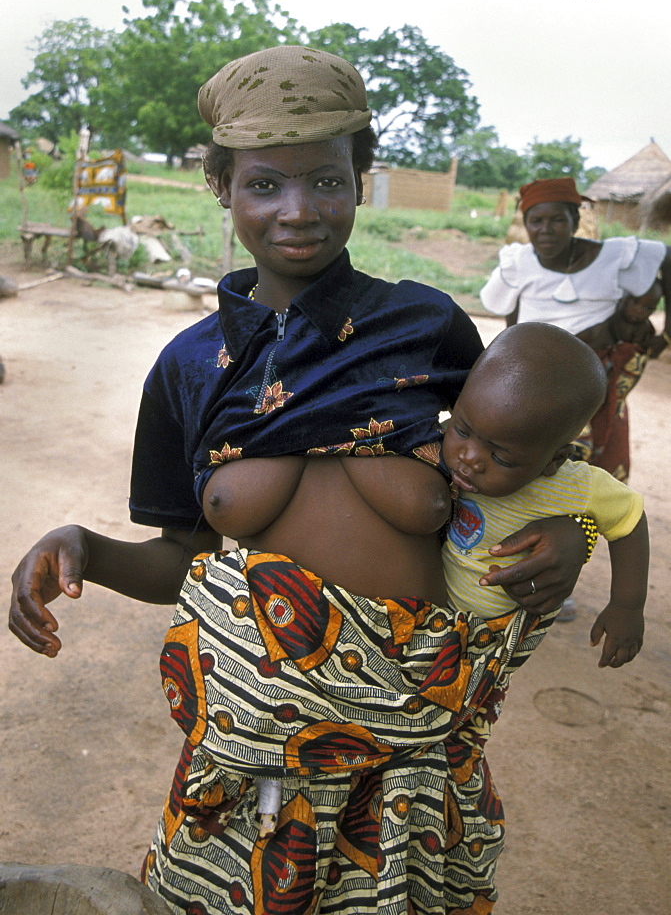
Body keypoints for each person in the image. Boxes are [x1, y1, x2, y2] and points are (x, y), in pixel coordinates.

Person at [9, 48, 592, 915]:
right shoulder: (188, 368)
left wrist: (571, 541)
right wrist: (84, 547)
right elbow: (184, 558)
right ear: (222, 189)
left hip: (410, 761)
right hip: (253, 754)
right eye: (264, 186)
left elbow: (519, 468)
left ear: (360, 181)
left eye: (326, 181)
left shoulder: (424, 327)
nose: (297, 212)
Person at [442, 322, 648, 670]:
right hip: (429, 617)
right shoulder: (435, 447)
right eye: (462, 429)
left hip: (499, 638)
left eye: (501, 457)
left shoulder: (576, 486)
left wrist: (627, 606)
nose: (469, 458)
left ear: (554, 460)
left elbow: (629, 520)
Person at [480, 176, 671, 484]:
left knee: (594, 460)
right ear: (526, 223)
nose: (546, 230)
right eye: (536, 221)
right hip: (538, 376)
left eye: (557, 219)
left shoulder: (613, 256)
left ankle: (584, 523)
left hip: (598, 376)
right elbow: (509, 319)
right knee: (533, 459)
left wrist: (668, 334)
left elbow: (667, 257)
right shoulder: (519, 262)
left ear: (575, 218)